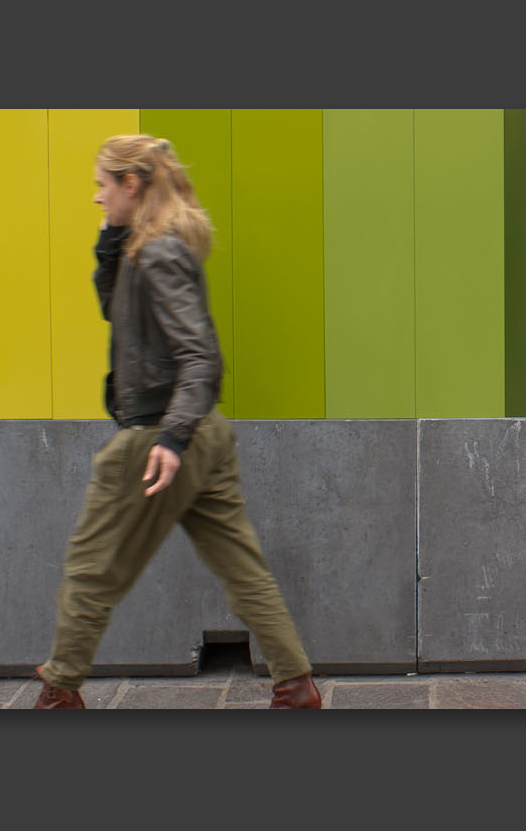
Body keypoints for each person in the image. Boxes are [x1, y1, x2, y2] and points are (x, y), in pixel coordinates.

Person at [33, 134, 322, 709]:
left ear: (131, 184)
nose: (96, 198)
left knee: (91, 568)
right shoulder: (145, 247)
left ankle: (59, 691)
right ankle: (296, 686)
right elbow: (114, 309)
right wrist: (110, 241)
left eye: (103, 185)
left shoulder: (160, 252)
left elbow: (200, 356)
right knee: (243, 569)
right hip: (201, 435)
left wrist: (168, 438)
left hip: (160, 437)